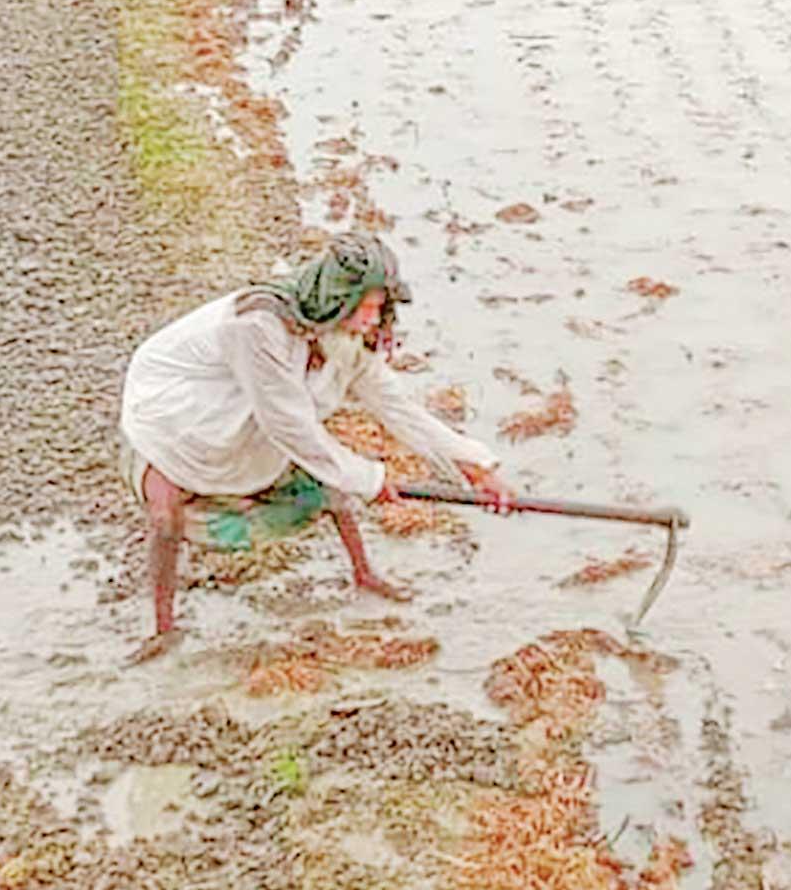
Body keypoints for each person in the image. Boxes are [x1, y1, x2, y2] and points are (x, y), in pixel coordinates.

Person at [119, 232, 511, 662]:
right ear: (338, 297)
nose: (373, 317)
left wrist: (475, 466)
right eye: (368, 305)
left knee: (331, 486)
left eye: (380, 307)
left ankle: (365, 575)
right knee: (165, 518)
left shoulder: (339, 336)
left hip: (253, 421)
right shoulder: (255, 327)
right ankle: (163, 627)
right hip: (180, 421)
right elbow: (290, 428)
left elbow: (396, 407)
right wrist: (372, 479)